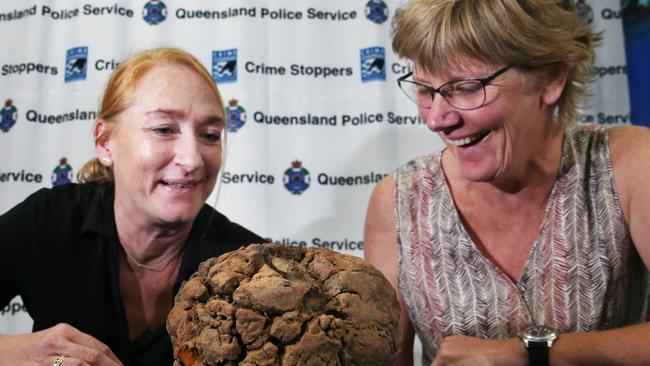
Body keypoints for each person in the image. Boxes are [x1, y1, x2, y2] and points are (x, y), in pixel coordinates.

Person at [364, 1, 650, 365]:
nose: (436, 119)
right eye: (424, 90)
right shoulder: (397, 202)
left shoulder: (628, 165)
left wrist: (532, 352)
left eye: (466, 88)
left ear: (550, 79)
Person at [0, 47, 265, 365]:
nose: (193, 159)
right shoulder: (49, 220)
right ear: (105, 142)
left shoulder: (250, 268)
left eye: (210, 135)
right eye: (164, 129)